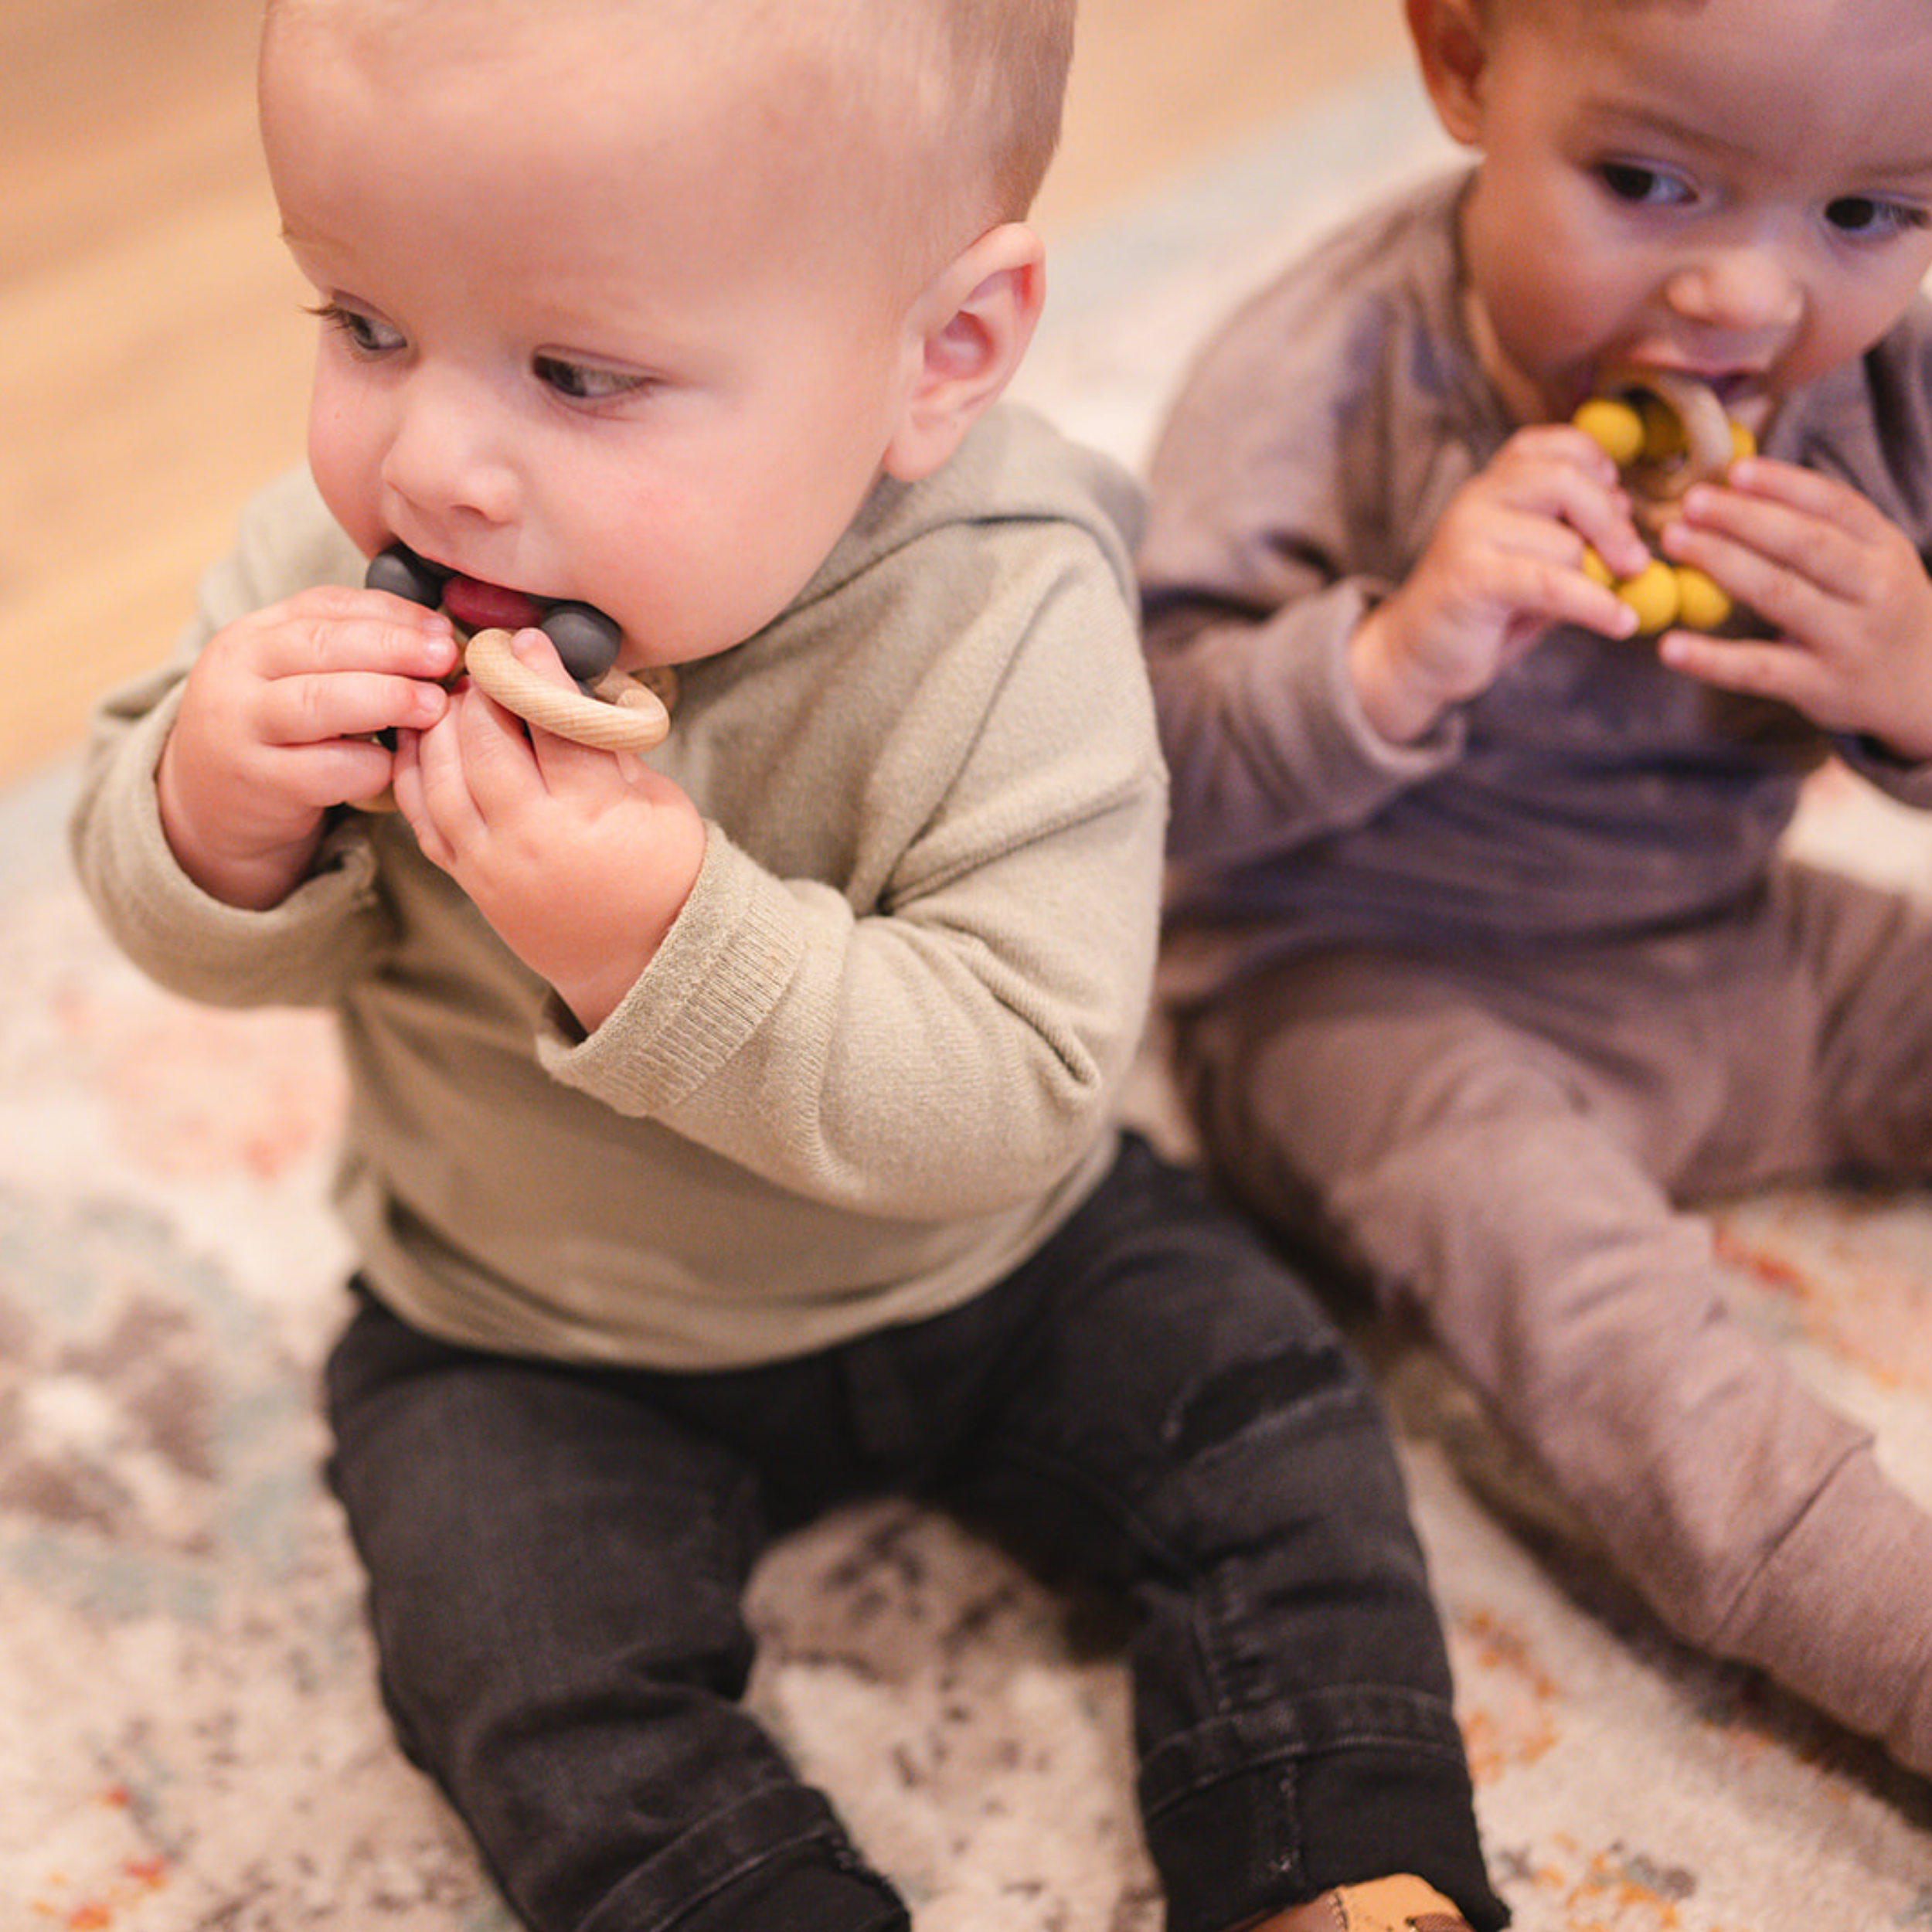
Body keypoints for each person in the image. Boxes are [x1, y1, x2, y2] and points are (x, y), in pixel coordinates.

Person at [70, 1, 1508, 1927]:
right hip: (524, 1319)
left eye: (577, 372)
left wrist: (662, 942)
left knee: (1275, 1433)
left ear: (943, 357)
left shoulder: (1004, 603)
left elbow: (1016, 1085)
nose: (435, 464)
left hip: (995, 1264)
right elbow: (212, 955)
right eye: (364, 325)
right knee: (510, 1664)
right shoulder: (327, 583)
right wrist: (208, 806)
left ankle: (1332, 1855)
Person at [1137, 0, 1932, 1781]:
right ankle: (1887, 1626)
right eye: (1647, 181)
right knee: (1600, 1321)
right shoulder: (1324, 369)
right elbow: (1141, 774)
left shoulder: (1875, 393)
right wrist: (1390, 660)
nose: (1747, 297)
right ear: (1461, 64)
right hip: (1353, 981)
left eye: (1867, 218)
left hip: (1735, 949)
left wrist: (1909, 679)